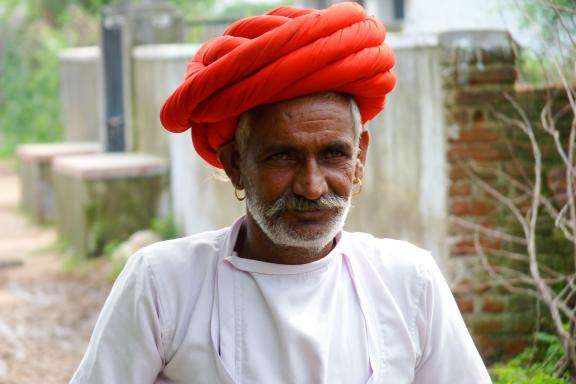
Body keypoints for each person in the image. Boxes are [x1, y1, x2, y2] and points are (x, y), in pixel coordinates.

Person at [70, 2, 492, 383]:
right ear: (235, 165)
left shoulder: (408, 281)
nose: (312, 185)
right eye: (282, 157)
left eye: (333, 154)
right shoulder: (163, 283)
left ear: (360, 156)